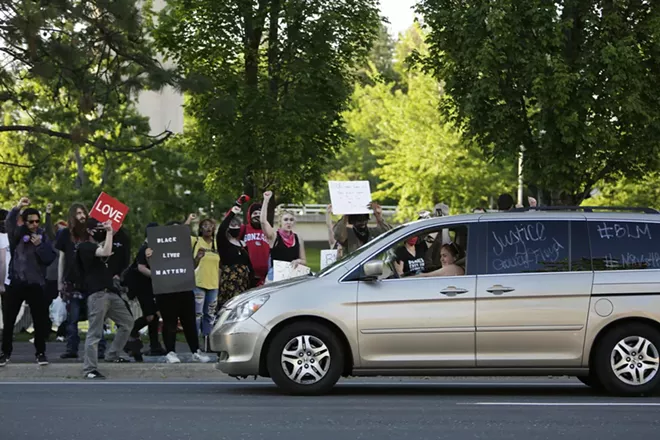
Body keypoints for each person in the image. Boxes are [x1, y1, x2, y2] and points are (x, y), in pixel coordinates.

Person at [0, 197, 56, 367]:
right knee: (9, 321)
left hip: (36, 284)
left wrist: (40, 246)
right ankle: (5, 353)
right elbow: (9, 222)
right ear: (24, 222)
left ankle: (40, 353)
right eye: (31, 222)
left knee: (39, 321)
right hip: (17, 282)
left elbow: (49, 258)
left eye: (37, 221)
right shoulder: (16, 235)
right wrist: (18, 207)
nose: (34, 225)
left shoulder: (43, 236)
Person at [77, 218, 134, 379]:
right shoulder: (84, 247)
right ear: (89, 231)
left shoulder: (99, 244)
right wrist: (109, 232)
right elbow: (105, 252)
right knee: (95, 332)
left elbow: (113, 250)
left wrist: (112, 232)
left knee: (127, 322)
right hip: (97, 294)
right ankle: (89, 369)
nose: (102, 230)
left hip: (110, 292)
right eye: (99, 228)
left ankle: (113, 353)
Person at [143, 244, 211, 365]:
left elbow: (189, 269)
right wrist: (149, 258)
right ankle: (170, 353)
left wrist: (197, 259)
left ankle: (196, 351)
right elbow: (154, 269)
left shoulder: (182, 251)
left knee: (189, 322)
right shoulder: (157, 250)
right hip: (166, 291)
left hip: (184, 289)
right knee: (169, 323)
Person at [57, 203, 107, 359]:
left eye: (83, 212)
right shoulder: (65, 234)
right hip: (72, 282)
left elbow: (102, 251)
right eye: (78, 213)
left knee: (96, 317)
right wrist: (60, 281)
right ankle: (71, 349)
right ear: (73, 216)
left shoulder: (90, 232)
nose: (82, 216)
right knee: (72, 319)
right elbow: (62, 258)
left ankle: (100, 349)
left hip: (91, 281)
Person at [125, 222, 164, 359]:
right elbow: (141, 267)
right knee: (150, 316)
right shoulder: (145, 248)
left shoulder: (155, 248)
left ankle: (155, 345)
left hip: (150, 285)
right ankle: (129, 333)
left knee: (155, 315)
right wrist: (157, 275)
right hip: (141, 285)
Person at [261, 191, 306, 280]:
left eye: (291, 220)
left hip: (292, 276)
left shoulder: (298, 238)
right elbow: (263, 221)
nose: (288, 222)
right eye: (285, 220)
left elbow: (304, 261)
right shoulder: (274, 236)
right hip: (275, 277)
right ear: (280, 222)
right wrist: (266, 200)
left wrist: (298, 261)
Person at [217, 206, 254, 307]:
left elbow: (248, 263)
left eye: (238, 225)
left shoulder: (243, 244)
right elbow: (221, 228)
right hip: (229, 281)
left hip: (243, 282)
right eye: (233, 225)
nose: (236, 227)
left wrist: (252, 279)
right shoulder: (223, 242)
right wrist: (232, 213)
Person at [192, 218, 220, 351]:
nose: (208, 228)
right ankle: (195, 344)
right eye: (205, 225)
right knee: (197, 315)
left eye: (210, 226)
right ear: (201, 228)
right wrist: (197, 257)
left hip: (213, 285)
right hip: (198, 283)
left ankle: (208, 344)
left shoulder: (217, 244)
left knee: (210, 315)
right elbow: (192, 265)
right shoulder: (196, 241)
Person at [241, 202, 270, 286]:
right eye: (255, 213)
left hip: (266, 275)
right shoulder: (244, 229)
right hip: (247, 274)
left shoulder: (268, 230)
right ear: (249, 215)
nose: (257, 215)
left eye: (260, 213)